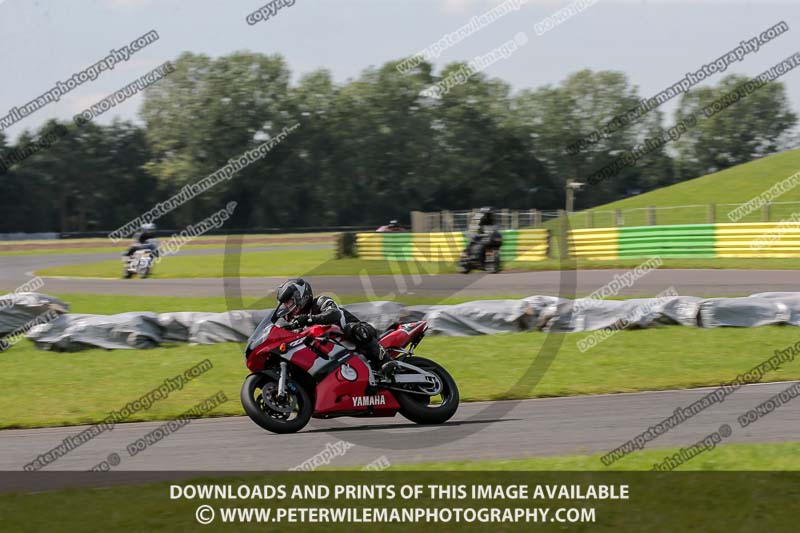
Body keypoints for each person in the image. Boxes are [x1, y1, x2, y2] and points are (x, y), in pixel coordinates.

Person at [273, 278, 387, 372]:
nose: (286, 307)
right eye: (284, 303)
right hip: (339, 355)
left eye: (288, 302)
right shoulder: (295, 322)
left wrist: (309, 319)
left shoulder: (320, 302)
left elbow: (334, 314)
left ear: (301, 297)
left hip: (360, 334)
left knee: (352, 329)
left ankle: (386, 361)